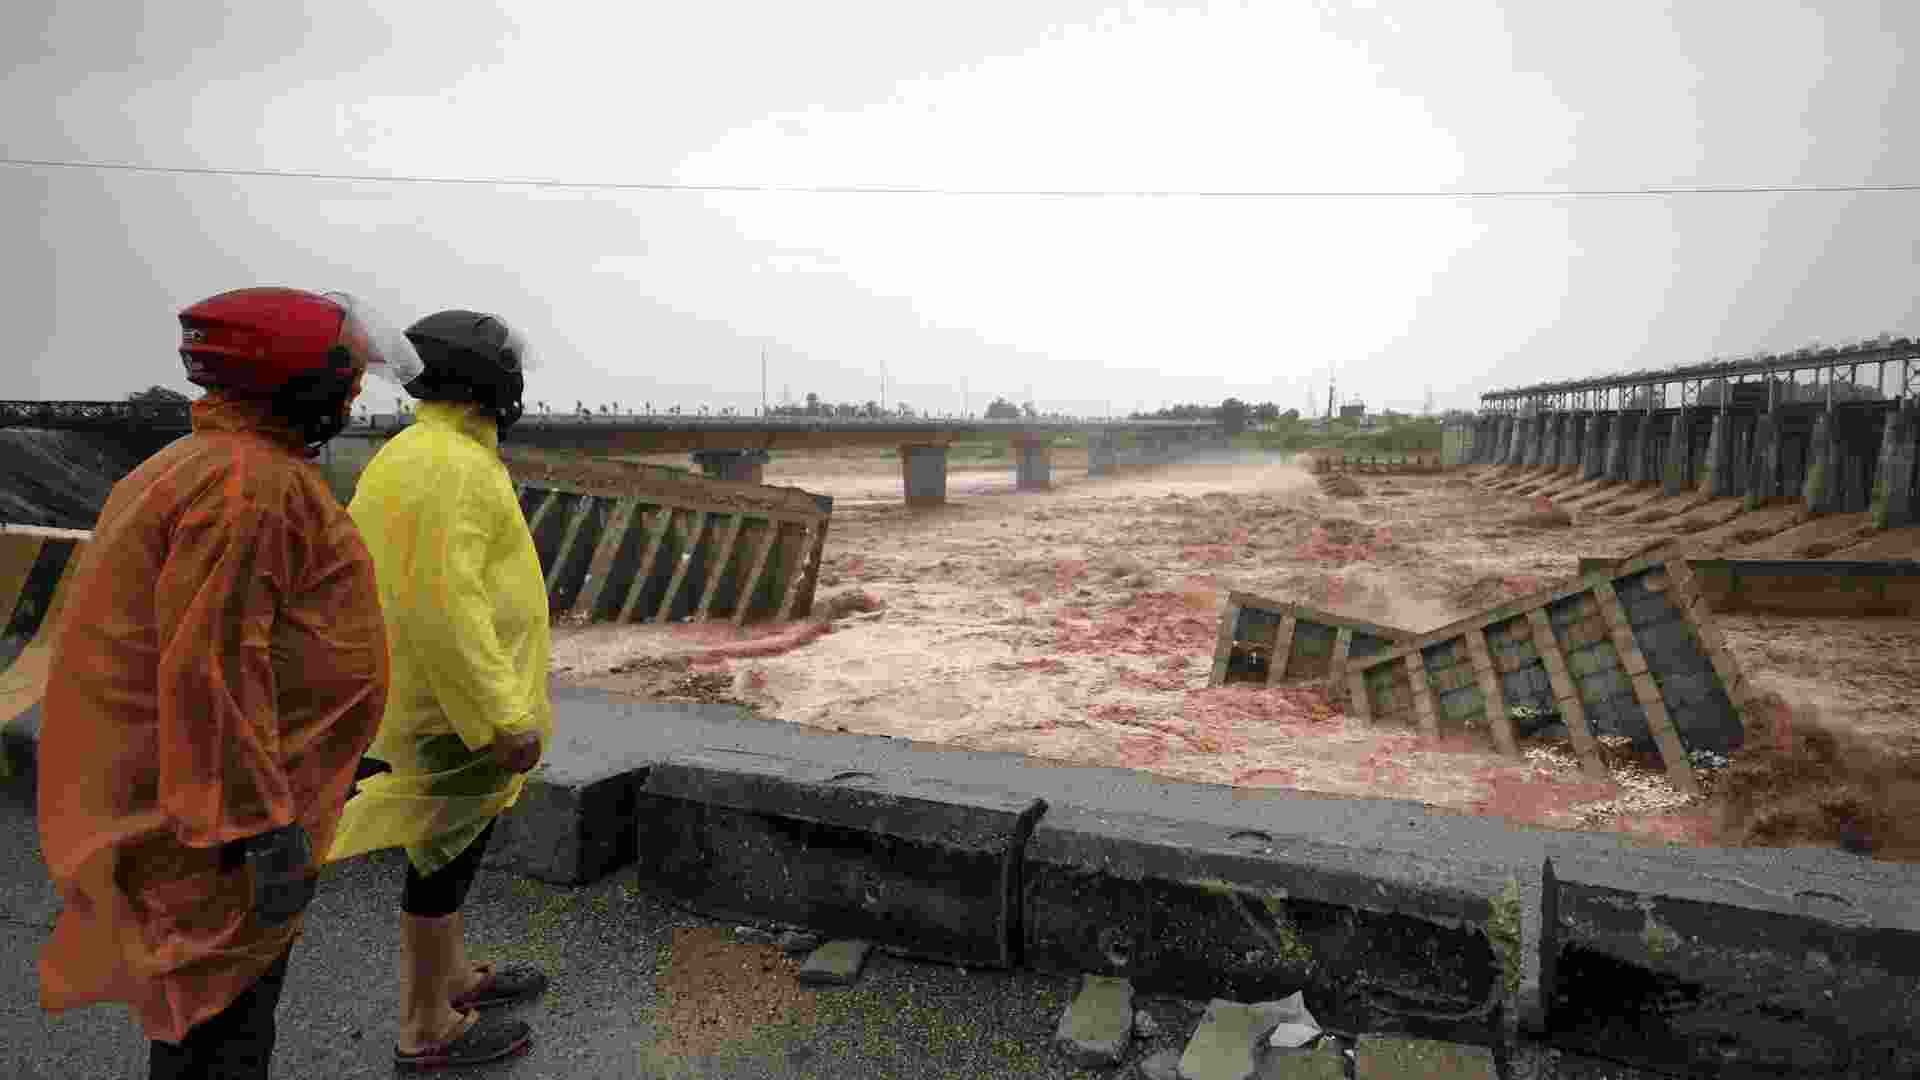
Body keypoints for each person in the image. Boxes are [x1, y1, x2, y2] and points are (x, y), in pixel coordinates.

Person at [36, 286, 423, 1079]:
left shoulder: (202, 464)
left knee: (213, 1019)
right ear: (297, 382)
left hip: (207, 803)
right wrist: (260, 830)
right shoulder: (251, 487)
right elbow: (210, 670)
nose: (353, 395)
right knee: (222, 1032)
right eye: (344, 377)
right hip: (217, 827)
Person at [325, 309, 552, 1072]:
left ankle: (450, 979)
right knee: (441, 862)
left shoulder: (425, 451)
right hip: (451, 710)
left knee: (446, 848)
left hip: (430, 699)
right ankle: (426, 1024)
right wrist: (501, 719)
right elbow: (444, 607)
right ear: (489, 376)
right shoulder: (450, 466)